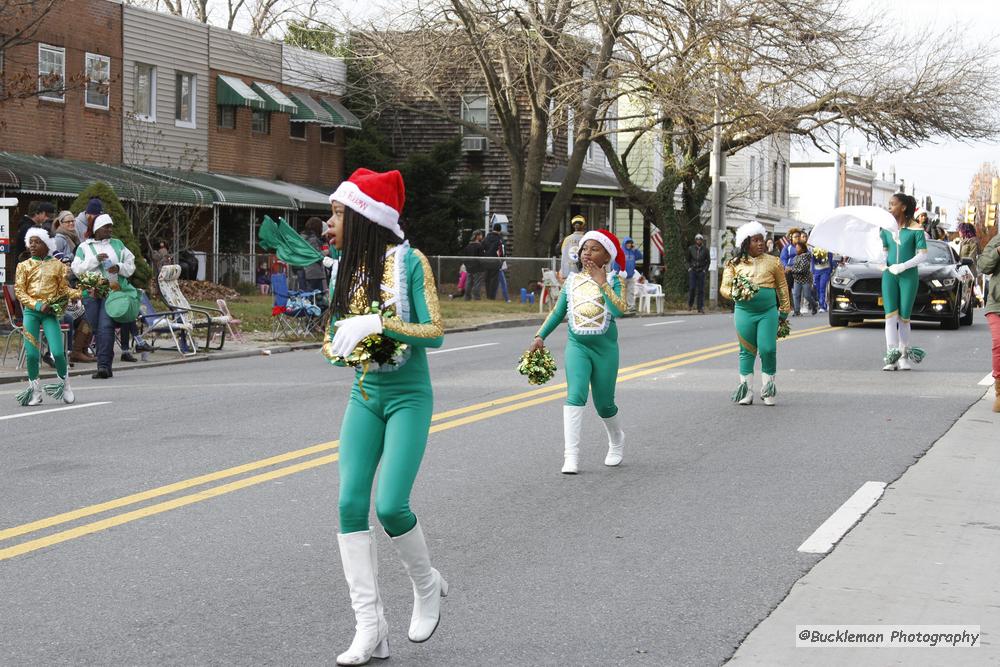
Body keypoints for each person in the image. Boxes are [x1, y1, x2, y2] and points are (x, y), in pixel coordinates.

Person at [322, 168, 448, 666]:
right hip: (364, 396)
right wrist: (340, 346)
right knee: (350, 505)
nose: (328, 223)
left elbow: (434, 332)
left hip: (409, 397)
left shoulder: (410, 263)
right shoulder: (345, 270)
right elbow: (332, 341)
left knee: (391, 506)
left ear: (364, 216)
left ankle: (427, 585)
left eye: (336, 213)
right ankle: (370, 627)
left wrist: (380, 323)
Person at [529, 229, 628, 474]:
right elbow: (557, 312)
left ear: (607, 256)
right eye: (585, 248)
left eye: (594, 249)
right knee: (575, 395)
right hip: (578, 346)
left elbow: (620, 311)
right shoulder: (572, 281)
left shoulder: (615, 280)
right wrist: (540, 335)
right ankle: (570, 456)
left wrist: (602, 282)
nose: (587, 253)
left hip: (605, 350)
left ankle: (616, 439)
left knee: (604, 404)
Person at [720, 221, 791, 406]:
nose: (761, 243)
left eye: (762, 239)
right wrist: (737, 292)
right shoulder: (733, 264)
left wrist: (784, 310)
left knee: (768, 349)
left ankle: (768, 389)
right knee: (746, 351)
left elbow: (782, 286)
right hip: (744, 312)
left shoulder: (773, 261)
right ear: (746, 242)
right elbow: (724, 288)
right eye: (756, 240)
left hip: (768, 312)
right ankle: (746, 391)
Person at [14, 229, 81, 406]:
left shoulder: (58, 266)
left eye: (37, 242)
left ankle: (65, 385)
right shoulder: (23, 266)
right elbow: (20, 291)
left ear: (46, 244)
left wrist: (81, 292)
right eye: (31, 242)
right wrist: (36, 305)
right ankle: (35, 392)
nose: (33, 245)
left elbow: (64, 290)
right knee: (32, 355)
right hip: (31, 313)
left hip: (50, 314)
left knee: (58, 353)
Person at [71, 214, 137, 379]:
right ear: (96, 229)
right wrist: (94, 260)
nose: (109, 229)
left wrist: (119, 267)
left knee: (105, 327)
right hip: (92, 293)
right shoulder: (84, 247)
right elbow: (77, 269)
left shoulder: (118, 244)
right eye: (106, 227)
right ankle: (103, 361)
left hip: (111, 292)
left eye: (110, 226)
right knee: (95, 327)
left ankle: (104, 366)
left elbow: (131, 264)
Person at [879, 193, 928, 371]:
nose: (889, 207)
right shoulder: (885, 229)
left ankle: (903, 357)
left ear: (904, 207)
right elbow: (884, 251)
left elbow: (923, 254)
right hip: (889, 275)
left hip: (908, 276)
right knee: (890, 316)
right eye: (889, 204)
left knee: (904, 318)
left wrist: (903, 266)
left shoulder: (916, 229)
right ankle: (891, 357)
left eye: (893, 204)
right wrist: (882, 262)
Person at [977, 228, 1000, 412]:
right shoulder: (997, 240)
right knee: (999, 343)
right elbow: (983, 266)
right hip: (998, 303)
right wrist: (997, 251)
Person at [300, 217, 328, 296]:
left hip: (304, 270)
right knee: (317, 296)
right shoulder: (313, 239)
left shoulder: (303, 237)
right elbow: (315, 255)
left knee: (307, 294)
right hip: (314, 272)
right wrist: (325, 253)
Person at [558, 215, 587, 280]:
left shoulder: (566, 239)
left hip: (568, 274)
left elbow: (558, 251)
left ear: (573, 226)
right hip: (583, 275)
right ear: (583, 225)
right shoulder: (587, 239)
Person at [686, 233, 709, 313]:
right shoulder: (691, 248)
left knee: (701, 290)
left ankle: (700, 307)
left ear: (702, 241)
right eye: (697, 239)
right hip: (693, 270)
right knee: (692, 288)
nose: (698, 241)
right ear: (695, 240)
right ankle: (690, 304)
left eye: (700, 239)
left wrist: (704, 270)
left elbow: (708, 261)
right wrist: (689, 268)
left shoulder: (705, 250)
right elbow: (688, 259)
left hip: (701, 271)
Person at [790, 241, 815, 316]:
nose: (796, 249)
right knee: (796, 295)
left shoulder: (806, 257)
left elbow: (802, 270)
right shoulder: (795, 257)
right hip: (797, 279)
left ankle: (814, 305)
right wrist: (789, 268)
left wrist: (791, 269)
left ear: (803, 249)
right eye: (796, 248)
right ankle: (797, 311)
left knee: (807, 296)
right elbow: (793, 266)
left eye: (798, 248)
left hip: (805, 280)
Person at [482, 223, 505, 299]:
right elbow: (502, 252)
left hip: (486, 261)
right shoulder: (499, 240)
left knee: (487, 279)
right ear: (499, 230)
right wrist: (502, 261)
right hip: (495, 262)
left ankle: (488, 296)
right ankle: (492, 297)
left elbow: (482, 248)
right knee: (494, 280)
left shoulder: (486, 238)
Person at [622, 236, 644, 312]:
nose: (629, 244)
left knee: (630, 291)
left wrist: (635, 249)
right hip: (622, 276)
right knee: (622, 292)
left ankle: (631, 305)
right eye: (627, 243)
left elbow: (640, 256)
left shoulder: (633, 252)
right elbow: (616, 262)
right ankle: (621, 306)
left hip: (631, 276)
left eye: (630, 243)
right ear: (624, 243)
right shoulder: (621, 251)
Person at [462, 230, 485, 300]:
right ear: (477, 236)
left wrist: (467, 266)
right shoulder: (479, 246)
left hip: (469, 268)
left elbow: (465, 258)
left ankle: (467, 296)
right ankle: (476, 297)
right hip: (478, 268)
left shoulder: (468, 246)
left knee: (469, 282)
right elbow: (482, 258)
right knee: (477, 283)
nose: (482, 236)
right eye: (481, 235)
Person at [811, 245, 833, 313]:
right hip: (817, 271)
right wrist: (813, 271)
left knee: (822, 288)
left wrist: (830, 269)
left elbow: (830, 259)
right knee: (817, 288)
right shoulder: (814, 249)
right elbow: (812, 260)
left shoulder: (827, 248)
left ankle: (823, 306)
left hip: (825, 270)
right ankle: (822, 303)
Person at [779, 228, 801, 293]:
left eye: (799, 236)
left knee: (798, 292)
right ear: (791, 238)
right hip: (790, 271)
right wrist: (786, 266)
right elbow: (783, 258)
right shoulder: (787, 247)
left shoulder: (804, 248)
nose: (798, 238)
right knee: (787, 290)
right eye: (795, 237)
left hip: (800, 271)